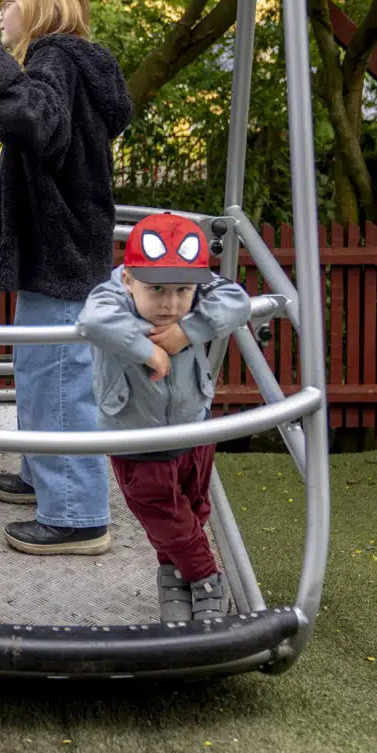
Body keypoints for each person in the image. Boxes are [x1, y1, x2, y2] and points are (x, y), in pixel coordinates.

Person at [0, 0, 132, 555]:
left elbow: (34, 123)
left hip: (60, 252)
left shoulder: (54, 59)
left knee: (58, 378)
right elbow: (60, 156)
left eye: (9, 1)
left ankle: (78, 515)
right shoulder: (67, 65)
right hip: (62, 246)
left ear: (39, 8)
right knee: (40, 371)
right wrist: (4, 177)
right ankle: (40, 476)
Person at [76, 212, 252, 622]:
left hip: (195, 426)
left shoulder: (194, 300)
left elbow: (237, 300)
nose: (170, 303)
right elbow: (92, 320)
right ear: (127, 279)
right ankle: (205, 575)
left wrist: (189, 330)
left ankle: (173, 574)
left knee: (193, 507)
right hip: (135, 439)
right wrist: (148, 349)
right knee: (165, 514)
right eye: (156, 289)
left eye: (182, 290)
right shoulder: (112, 295)